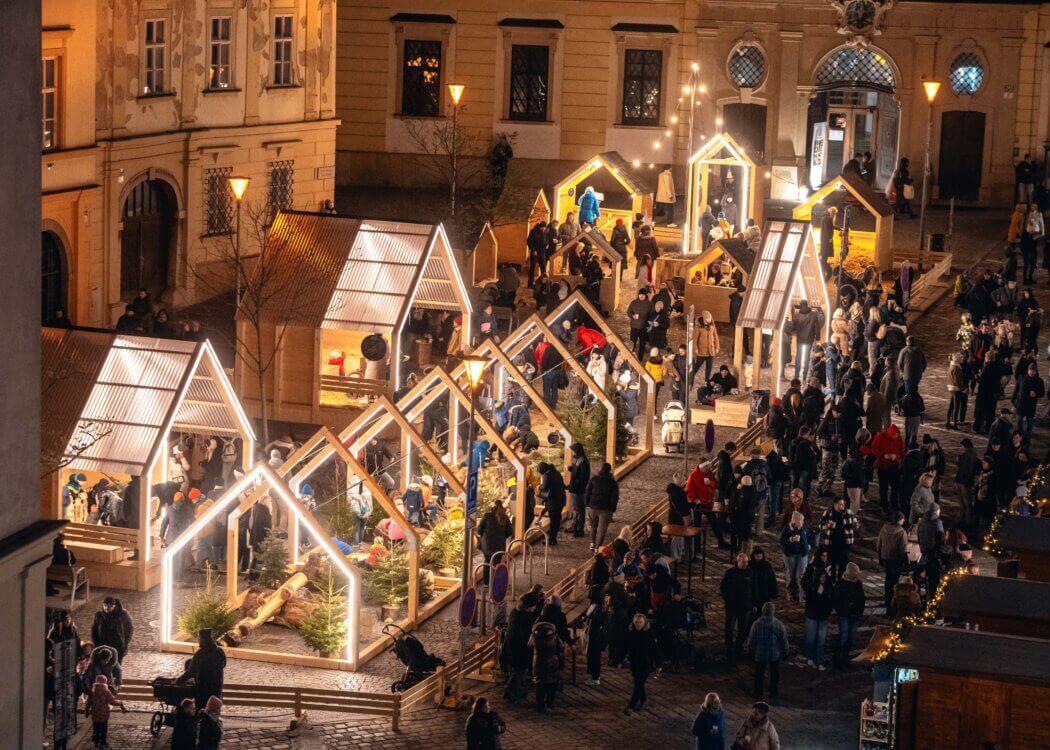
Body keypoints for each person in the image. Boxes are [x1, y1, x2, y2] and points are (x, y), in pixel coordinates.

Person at [744, 601, 789, 701]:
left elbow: (751, 640)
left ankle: (758, 695)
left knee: (759, 675)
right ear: (773, 612)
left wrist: (750, 651)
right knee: (774, 673)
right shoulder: (779, 624)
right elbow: (784, 640)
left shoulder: (756, 624)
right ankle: (773, 692)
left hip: (760, 654)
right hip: (774, 654)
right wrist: (786, 651)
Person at [177, 629, 227, 710]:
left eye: (199, 638)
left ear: (203, 640)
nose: (198, 640)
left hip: (203, 690)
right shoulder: (220, 651)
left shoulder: (200, 654)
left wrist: (179, 680)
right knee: (213, 711)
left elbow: (190, 671)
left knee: (201, 711)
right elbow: (224, 664)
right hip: (217, 688)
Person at [720, 552, 754, 666]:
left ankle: (738, 647)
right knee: (729, 628)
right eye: (743, 562)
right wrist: (728, 600)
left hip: (745, 607)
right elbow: (723, 588)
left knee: (743, 629)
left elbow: (754, 589)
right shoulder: (730, 573)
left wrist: (752, 603)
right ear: (738, 561)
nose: (745, 564)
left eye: (747, 562)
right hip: (732, 607)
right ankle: (729, 649)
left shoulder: (750, 573)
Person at [623, 613, 658, 714]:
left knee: (638, 685)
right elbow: (625, 646)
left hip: (646, 664)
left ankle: (631, 706)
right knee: (639, 683)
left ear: (644, 623)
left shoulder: (649, 634)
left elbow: (655, 650)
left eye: (640, 622)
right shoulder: (631, 633)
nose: (638, 624)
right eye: (636, 622)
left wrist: (658, 664)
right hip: (634, 663)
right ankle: (643, 700)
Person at [818, 496, 858, 581]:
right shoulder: (828, 513)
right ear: (835, 505)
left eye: (843, 504)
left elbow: (855, 524)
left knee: (843, 566)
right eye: (840, 504)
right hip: (831, 544)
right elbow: (820, 526)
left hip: (844, 544)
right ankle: (831, 583)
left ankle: (840, 583)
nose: (842, 506)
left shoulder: (849, 512)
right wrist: (827, 525)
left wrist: (855, 525)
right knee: (830, 565)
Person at [833, 562, 866, 667]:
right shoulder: (841, 584)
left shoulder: (858, 583)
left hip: (854, 614)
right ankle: (839, 657)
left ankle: (846, 656)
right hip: (844, 614)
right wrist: (842, 609)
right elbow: (837, 600)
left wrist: (859, 611)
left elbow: (861, 599)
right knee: (844, 636)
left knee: (851, 637)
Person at [802, 562, 833, 670]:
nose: (823, 579)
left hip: (823, 617)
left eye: (824, 577)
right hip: (812, 617)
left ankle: (819, 661)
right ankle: (810, 657)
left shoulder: (829, 588)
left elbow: (830, 602)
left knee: (821, 641)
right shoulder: (812, 588)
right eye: (821, 577)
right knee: (811, 639)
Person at [529, 617, 562, 713]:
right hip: (552, 663)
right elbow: (560, 647)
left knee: (540, 685)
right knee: (552, 685)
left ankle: (540, 705)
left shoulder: (534, 637)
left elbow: (529, 645)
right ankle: (549, 704)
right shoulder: (554, 637)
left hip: (538, 663)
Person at [875, 512, 908, 610]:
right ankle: (893, 603)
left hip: (885, 558)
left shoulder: (884, 528)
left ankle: (887, 599)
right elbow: (903, 549)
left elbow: (879, 544)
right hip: (896, 560)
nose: (904, 520)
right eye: (903, 518)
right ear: (899, 520)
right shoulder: (902, 532)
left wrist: (880, 557)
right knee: (895, 581)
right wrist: (904, 561)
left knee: (888, 580)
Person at [584, 462, 618, 551]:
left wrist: (587, 503)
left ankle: (592, 542)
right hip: (605, 509)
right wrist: (612, 508)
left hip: (592, 507)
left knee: (593, 527)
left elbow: (588, 492)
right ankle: (598, 547)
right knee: (602, 530)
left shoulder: (594, 479)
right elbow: (614, 497)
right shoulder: (612, 483)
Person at [85, 674, 125, 748]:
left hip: (95, 714)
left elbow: (88, 703)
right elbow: (112, 702)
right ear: (105, 682)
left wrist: (86, 711)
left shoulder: (92, 692)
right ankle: (102, 742)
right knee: (103, 728)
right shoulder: (107, 692)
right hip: (104, 714)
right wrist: (120, 703)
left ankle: (96, 742)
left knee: (96, 727)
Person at [779, 511, 810, 602]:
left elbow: (809, 536)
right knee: (791, 574)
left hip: (802, 554)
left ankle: (802, 596)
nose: (803, 523)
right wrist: (791, 539)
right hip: (790, 554)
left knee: (800, 574)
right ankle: (791, 592)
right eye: (801, 521)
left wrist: (809, 545)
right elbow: (782, 542)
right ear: (795, 522)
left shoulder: (803, 527)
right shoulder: (787, 529)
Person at [91, 596, 134, 663]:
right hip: (103, 646)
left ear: (114, 606)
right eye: (105, 605)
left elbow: (130, 629)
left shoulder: (122, 615)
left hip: (118, 646)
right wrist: (97, 644)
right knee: (103, 666)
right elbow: (94, 631)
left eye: (110, 606)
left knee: (116, 667)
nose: (107, 608)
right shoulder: (99, 615)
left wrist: (125, 642)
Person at [478, 502, 513, 575]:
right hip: (499, 545)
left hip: (487, 544)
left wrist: (484, 535)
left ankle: (486, 583)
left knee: (487, 561)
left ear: (492, 508)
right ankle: (494, 582)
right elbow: (510, 531)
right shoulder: (505, 518)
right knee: (496, 563)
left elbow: (479, 529)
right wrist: (502, 536)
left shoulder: (487, 516)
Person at [536, 462, 566, 546]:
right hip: (561, 500)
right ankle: (553, 539)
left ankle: (551, 540)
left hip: (553, 502)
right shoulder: (556, 473)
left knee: (553, 521)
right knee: (556, 520)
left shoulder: (546, 475)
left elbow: (545, 487)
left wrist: (539, 487)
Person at [567, 442, 590, 538]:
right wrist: (571, 469)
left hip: (578, 490)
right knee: (575, 509)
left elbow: (583, 477)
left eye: (573, 450)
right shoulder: (578, 459)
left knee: (579, 510)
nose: (572, 453)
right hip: (575, 489)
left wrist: (573, 485)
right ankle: (574, 526)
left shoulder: (583, 461)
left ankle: (579, 529)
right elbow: (577, 471)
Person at [526, 220, 548, 287]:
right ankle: (530, 283)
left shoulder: (544, 232)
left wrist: (547, 244)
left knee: (543, 268)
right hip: (535, 253)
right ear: (540, 227)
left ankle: (543, 283)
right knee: (532, 268)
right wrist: (533, 250)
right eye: (543, 228)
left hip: (542, 252)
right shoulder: (533, 231)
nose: (544, 229)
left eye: (545, 228)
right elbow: (529, 241)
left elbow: (546, 240)